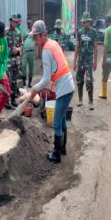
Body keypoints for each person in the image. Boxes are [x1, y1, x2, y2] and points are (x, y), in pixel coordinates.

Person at [30, 20, 75, 163]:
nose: (35, 41)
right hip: (66, 86)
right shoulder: (53, 43)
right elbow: (53, 74)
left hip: (64, 88)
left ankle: (56, 155)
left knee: (56, 122)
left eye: (36, 37)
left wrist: (34, 89)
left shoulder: (46, 50)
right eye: (34, 38)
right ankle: (62, 148)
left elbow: (46, 78)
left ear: (43, 35)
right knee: (61, 118)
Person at [73, 12, 98, 110]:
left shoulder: (93, 32)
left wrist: (95, 61)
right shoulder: (79, 32)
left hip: (89, 61)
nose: (84, 24)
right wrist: (74, 61)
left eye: (86, 22)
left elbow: (95, 47)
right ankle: (80, 100)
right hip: (80, 61)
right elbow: (77, 46)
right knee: (79, 80)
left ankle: (91, 102)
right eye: (83, 22)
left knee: (89, 81)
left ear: (89, 22)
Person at [5, 13, 23, 108]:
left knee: (14, 81)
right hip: (8, 61)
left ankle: (12, 100)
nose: (15, 23)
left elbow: (21, 44)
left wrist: (19, 49)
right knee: (8, 81)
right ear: (10, 21)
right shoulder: (6, 32)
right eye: (13, 21)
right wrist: (12, 50)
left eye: (16, 22)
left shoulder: (18, 32)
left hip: (16, 60)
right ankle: (6, 101)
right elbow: (3, 47)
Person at [21, 18, 35, 88]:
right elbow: (22, 40)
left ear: (32, 24)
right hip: (25, 51)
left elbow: (36, 39)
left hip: (32, 52)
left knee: (31, 67)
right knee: (23, 65)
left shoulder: (34, 31)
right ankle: (24, 81)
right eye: (28, 23)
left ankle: (29, 83)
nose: (29, 24)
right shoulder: (25, 31)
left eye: (30, 23)